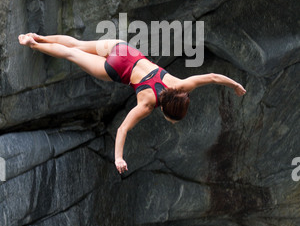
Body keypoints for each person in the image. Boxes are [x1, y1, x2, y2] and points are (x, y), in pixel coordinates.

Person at [18, 33, 246, 174]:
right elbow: (123, 128)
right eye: (170, 118)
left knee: (77, 44)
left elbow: (213, 77)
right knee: (71, 55)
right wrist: (118, 158)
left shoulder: (183, 84)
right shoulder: (147, 104)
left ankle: (38, 36)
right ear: (166, 111)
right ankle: (33, 44)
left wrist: (235, 84)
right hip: (116, 69)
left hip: (124, 50)